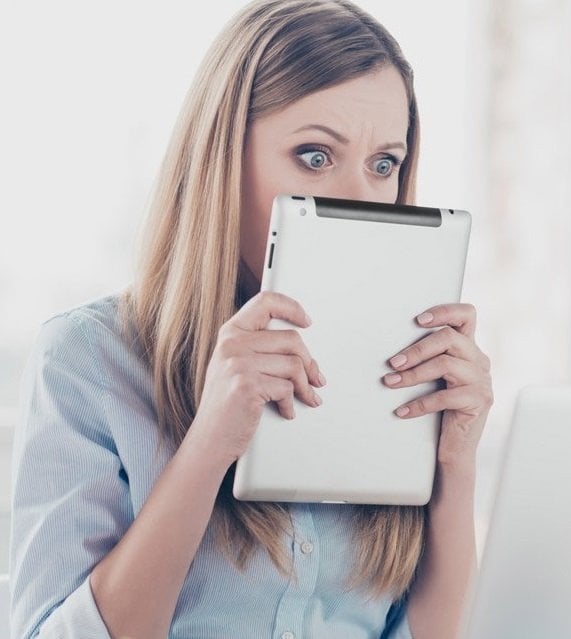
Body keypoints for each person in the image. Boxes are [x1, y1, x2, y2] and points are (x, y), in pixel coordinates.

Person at [9, 0, 494, 637]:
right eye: (316, 157)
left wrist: (456, 468)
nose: (360, 200)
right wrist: (210, 444)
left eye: (384, 164)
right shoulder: (88, 359)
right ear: (223, 163)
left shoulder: (404, 363)